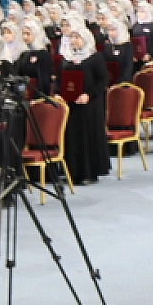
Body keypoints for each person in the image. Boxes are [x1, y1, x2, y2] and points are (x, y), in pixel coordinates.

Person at [59, 19, 111, 185]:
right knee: (72, 136)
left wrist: (89, 95)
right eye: (72, 37)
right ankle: (72, 172)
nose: (74, 40)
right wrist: (59, 93)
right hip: (71, 105)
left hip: (90, 104)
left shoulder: (95, 57)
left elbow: (103, 80)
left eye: (77, 37)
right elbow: (62, 79)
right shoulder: (67, 58)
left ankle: (89, 172)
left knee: (87, 137)